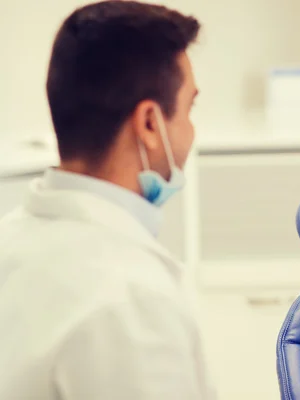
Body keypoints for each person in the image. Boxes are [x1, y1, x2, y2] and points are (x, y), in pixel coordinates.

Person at [0, 1, 213, 399]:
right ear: (150, 123)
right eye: (189, 107)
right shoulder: (131, 299)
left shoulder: (11, 239)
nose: (190, 129)